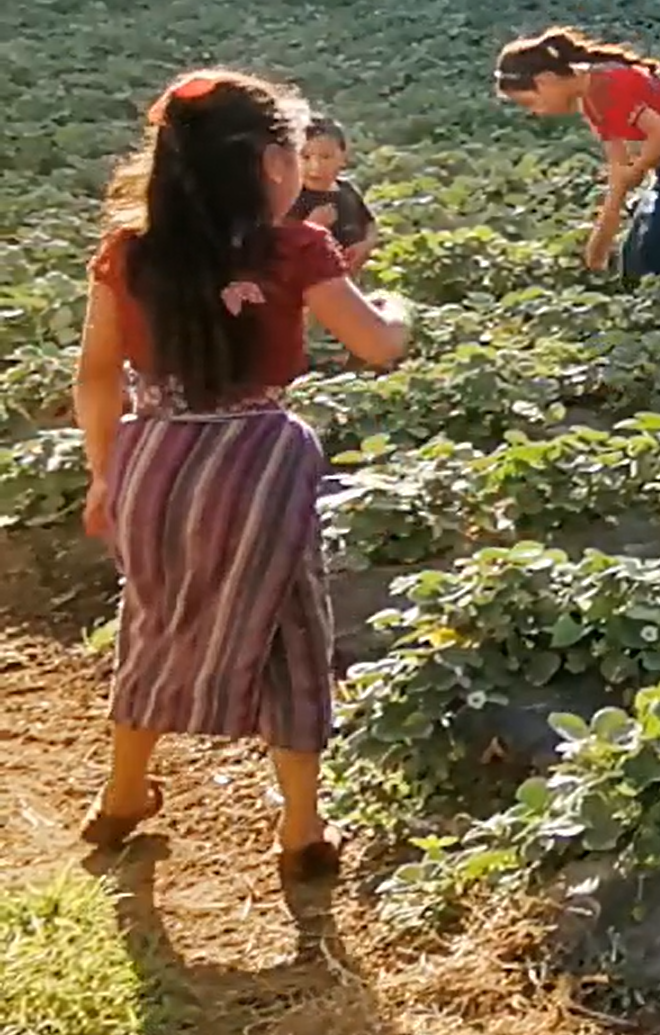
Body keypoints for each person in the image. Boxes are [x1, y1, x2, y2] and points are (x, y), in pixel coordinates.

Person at [75, 71, 413, 883]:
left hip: (152, 456)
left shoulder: (130, 254)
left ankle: (122, 797)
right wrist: (398, 308)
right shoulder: (295, 248)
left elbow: (95, 377)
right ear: (270, 163)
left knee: (155, 616)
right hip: (261, 459)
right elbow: (376, 346)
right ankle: (302, 831)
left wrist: (103, 476)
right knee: (291, 632)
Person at [494, 27, 660, 277]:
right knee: (642, 251)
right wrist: (600, 242)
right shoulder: (592, 102)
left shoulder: (608, 87)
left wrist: (638, 169)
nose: (536, 112)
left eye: (530, 103)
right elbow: (618, 171)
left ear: (546, 80)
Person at [289, 115, 380, 273]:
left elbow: (369, 223)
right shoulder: (290, 197)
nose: (315, 166)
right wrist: (311, 227)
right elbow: (280, 248)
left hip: (349, 280)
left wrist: (367, 244)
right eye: (305, 157)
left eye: (326, 157)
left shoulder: (346, 190)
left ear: (343, 157)